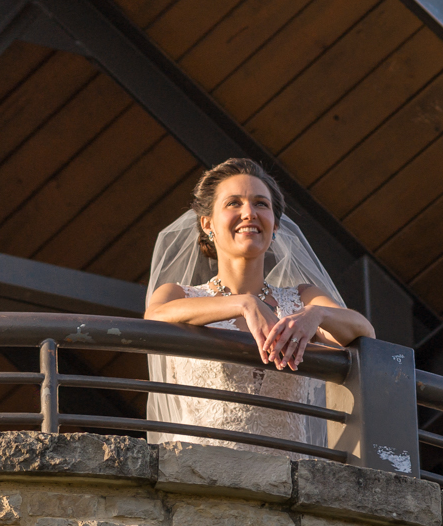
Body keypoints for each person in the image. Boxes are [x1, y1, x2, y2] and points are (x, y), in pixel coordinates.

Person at [143, 159, 374, 456]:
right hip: (203, 469)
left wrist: (316, 314)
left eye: (261, 204)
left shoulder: (302, 298)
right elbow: (155, 317)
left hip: (291, 473)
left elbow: (364, 330)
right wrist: (243, 303)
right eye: (233, 203)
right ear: (207, 223)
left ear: (275, 225)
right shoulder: (178, 295)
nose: (249, 213)